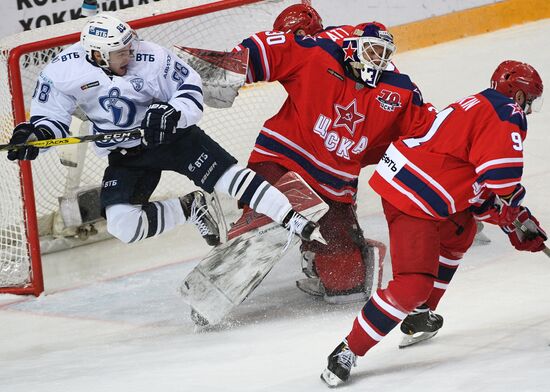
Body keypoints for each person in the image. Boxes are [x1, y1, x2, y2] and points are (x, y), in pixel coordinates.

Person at [6, 13, 324, 250]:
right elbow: (50, 121)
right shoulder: (62, 72)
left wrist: (172, 111)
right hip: (126, 155)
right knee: (123, 226)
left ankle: (291, 218)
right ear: (98, 55)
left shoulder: (150, 56)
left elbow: (190, 88)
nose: (129, 54)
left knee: (230, 177)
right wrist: (35, 139)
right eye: (120, 52)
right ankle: (190, 208)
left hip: (171, 138)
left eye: (129, 47)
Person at [320, 60, 547, 387]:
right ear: (519, 94)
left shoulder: (483, 104)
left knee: (462, 229)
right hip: (415, 194)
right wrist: (516, 212)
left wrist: (514, 222)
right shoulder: (506, 112)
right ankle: (348, 350)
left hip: (419, 180)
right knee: (413, 284)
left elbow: (480, 197)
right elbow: (502, 179)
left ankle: (420, 315)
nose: (528, 110)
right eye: (530, 101)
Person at [234, 23, 436, 304]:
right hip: (282, 159)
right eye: (371, 50)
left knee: (346, 285)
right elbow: (271, 48)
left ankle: (331, 254)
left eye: (383, 54)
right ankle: (251, 231)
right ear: (353, 47)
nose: (377, 59)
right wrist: (234, 66)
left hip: (332, 186)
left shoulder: (399, 91)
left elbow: (429, 137)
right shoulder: (320, 54)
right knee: (262, 220)